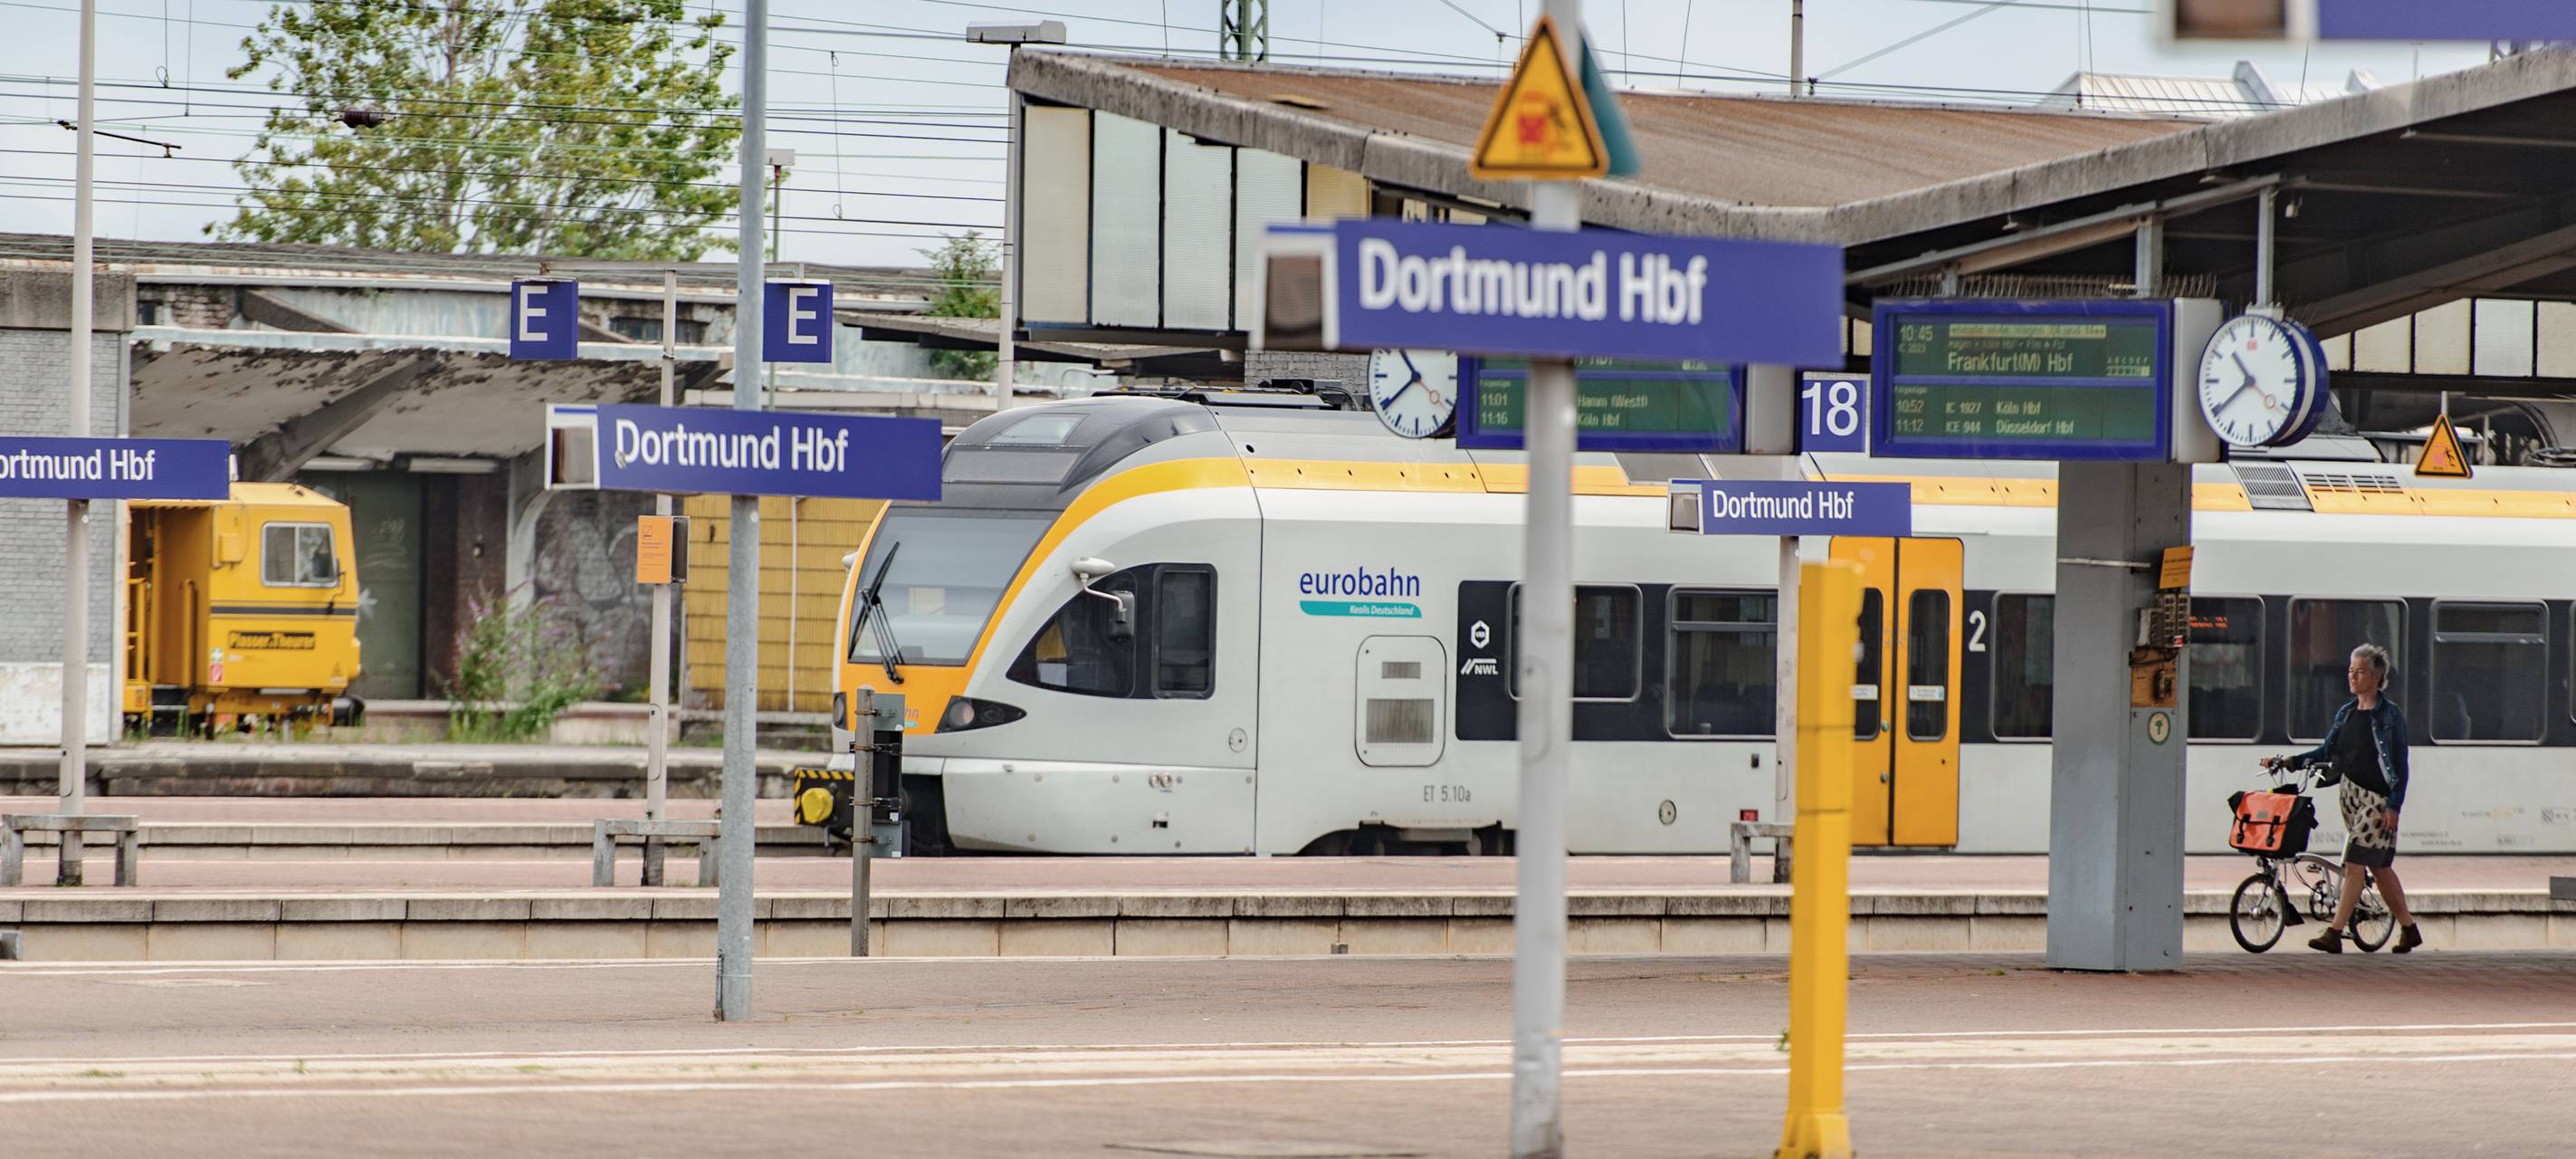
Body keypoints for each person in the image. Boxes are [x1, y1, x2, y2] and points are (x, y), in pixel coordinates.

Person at [2262, 643, 2422, 953]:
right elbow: (2326, 752)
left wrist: (2394, 804)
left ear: (2377, 677)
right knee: (2379, 867)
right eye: (2350, 670)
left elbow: (2400, 765)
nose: (2353, 676)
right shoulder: (2346, 713)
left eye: (2360, 671)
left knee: (2354, 863)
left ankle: (2334, 933)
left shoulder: (2390, 716)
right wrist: (2289, 762)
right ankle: (2408, 928)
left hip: (2377, 800)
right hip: (2350, 795)